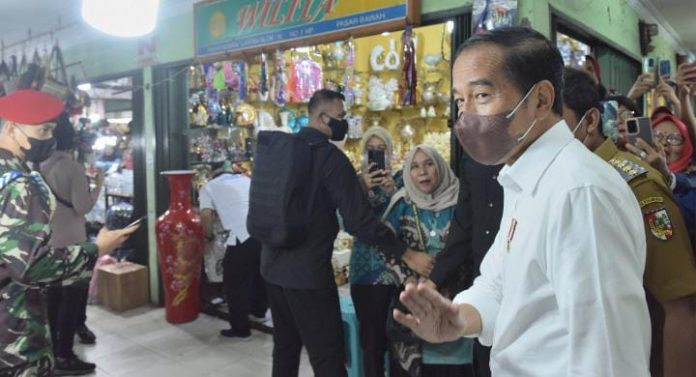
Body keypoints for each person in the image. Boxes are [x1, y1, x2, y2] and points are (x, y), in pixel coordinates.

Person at [393, 27, 651, 376]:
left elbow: (608, 355)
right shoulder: (522, 179)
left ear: (541, 99)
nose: (466, 116)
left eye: (482, 95)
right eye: (459, 100)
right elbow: (501, 283)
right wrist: (459, 319)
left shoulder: (578, 192)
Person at [260, 89, 429, 377]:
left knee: (285, 348)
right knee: (328, 356)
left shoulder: (285, 150)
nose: (344, 123)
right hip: (308, 276)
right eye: (341, 117)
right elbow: (358, 223)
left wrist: (358, 187)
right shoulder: (330, 157)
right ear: (323, 118)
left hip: (272, 268)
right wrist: (408, 253)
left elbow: (309, 200)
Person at [562, 66, 696, 377]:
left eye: (555, 124)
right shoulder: (556, 181)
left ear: (590, 122)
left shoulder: (635, 185)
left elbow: (680, 305)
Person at [0, 89, 138, 376]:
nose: (48, 137)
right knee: (70, 300)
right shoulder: (19, 183)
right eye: (43, 129)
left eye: (51, 129)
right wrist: (97, 249)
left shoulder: (24, 170)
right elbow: (30, 266)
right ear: (11, 128)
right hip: (15, 327)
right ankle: (65, 353)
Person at [381, 145, 473, 377]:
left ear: (440, 167)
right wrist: (410, 278)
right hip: (414, 301)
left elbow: (471, 247)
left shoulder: (461, 201)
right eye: (414, 166)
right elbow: (384, 247)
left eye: (429, 164)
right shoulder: (401, 204)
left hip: (456, 299)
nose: (422, 171)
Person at [39, 113, 105, 375]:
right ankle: (65, 355)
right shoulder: (73, 168)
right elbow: (83, 207)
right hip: (73, 241)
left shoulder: (41, 165)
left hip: (50, 239)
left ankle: (54, 349)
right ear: (73, 140)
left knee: (54, 297)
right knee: (73, 298)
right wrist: (98, 184)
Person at [349, 126, 403, 377]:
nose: (376, 154)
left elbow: (407, 223)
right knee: (371, 342)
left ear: (390, 152)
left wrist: (395, 194)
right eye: (371, 150)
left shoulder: (403, 179)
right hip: (365, 273)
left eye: (381, 150)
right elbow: (345, 222)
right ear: (363, 154)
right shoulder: (353, 183)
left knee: (398, 341)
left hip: (397, 272)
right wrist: (361, 189)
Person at [199, 161, 267, 340]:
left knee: (234, 283)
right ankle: (259, 311)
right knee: (259, 274)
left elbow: (206, 215)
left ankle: (241, 329)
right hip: (261, 231)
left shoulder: (208, 187)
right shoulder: (245, 180)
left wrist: (207, 237)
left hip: (240, 235)